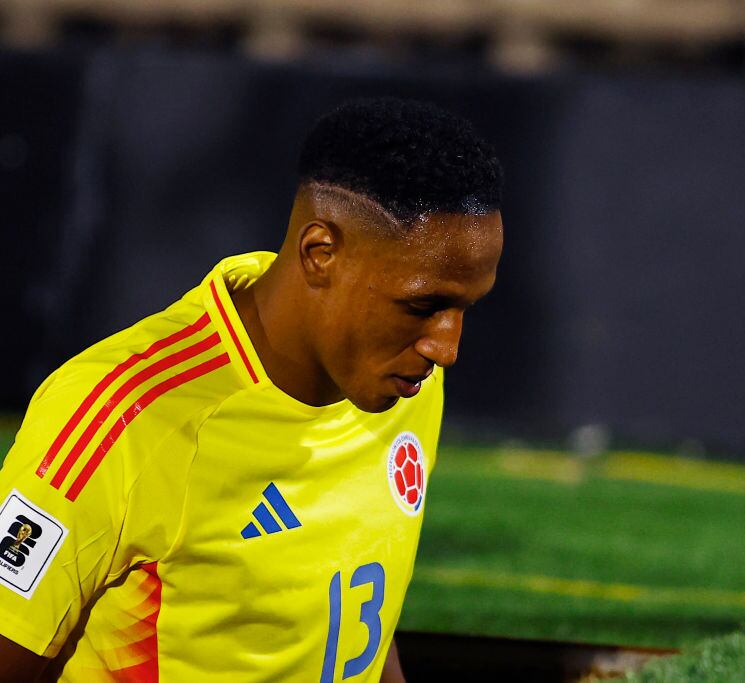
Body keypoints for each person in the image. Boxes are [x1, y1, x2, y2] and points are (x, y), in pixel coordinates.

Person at [0, 97, 504, 682]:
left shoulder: (404, 385)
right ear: (321, 253)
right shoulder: (124, 414)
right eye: (423, 305)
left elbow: (357, 619)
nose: (446, 348)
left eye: (466, 309)